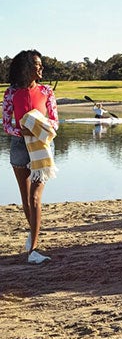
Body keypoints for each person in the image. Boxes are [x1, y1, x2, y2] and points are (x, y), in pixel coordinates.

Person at [2, 50, 59, 264]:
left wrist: (38, 127)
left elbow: (54, 122)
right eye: (38, 65)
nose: (41, 68)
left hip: (42, 147)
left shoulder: (47, 91)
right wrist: (21, 132)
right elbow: (7, 123)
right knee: (26, 200)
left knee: (35, 198)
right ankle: (32, 238)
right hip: (19, 147)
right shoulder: (10, 93)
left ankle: (33, 250)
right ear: (26, 67)